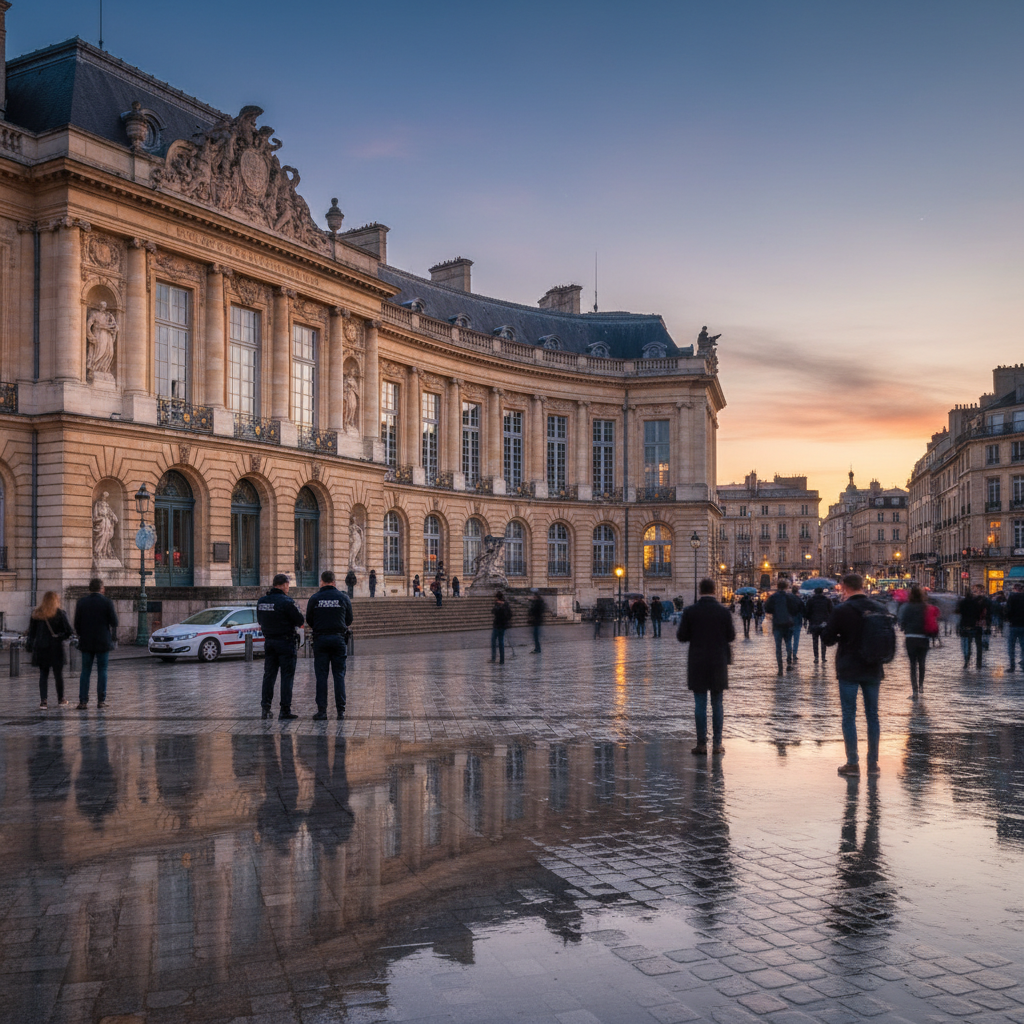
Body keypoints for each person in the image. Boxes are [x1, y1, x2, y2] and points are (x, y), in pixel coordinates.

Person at [823, 573, 885, 776]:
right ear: (862, 585)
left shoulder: (842, 610)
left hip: (849, 667)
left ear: (844, 587)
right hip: (873, 667)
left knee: (849, 715)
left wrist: (829, 630)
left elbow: (828, 639)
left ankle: (852, 763)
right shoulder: (878, 607)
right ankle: (873, 764)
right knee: (873, 716)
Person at [676, 578, 735, 756]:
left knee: (700, 704)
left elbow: (682, 636)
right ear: (715, 590)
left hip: (698, 662)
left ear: (700, 590)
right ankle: (717, 744)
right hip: (718, 662)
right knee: (717, 704)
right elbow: (731, 636)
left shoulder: (690, 611)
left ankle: (701, 744)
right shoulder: (723, 612)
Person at [305, 570, 353, 720]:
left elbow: (309, 619)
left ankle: (322, 711)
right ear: (334, 582)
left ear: (321, 581)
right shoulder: (343, 597)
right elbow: (349, 619)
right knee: (339, 676)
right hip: (338, 639)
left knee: (321, 676)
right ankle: (341, 711)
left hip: (320, 639)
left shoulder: (315, 598)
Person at [257, 573, 305, 720]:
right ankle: (285, 710)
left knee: (269, 676)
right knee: (287, 677)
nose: (288, 588)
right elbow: (300, 620)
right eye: (288, 585)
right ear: (284, 585)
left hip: (269, 642)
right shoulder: (287, 602)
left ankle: (265, 708)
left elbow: (260, 620)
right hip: (286, 642)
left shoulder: (262, 601)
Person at [73, 577, 118, 709]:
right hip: (103, 641)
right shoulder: (107, 602)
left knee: (85, 671)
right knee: (102, 670)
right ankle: (101, 700)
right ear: (101, 588)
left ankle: (83, 701)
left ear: (89, 588)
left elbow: (76, 623)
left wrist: (82, 634)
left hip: (86, 640)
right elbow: (114, 622)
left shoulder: (81, 602)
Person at [28, 591, 73, 709]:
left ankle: (43, 701)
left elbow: (31, 633)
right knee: (58, 675)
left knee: (43, 675)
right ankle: (61, 699)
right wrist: (59, 636)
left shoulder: (37, 614)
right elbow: (69, 631)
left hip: (41, 648)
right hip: (56, 648)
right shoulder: (60, 613)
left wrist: (30, 646)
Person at [897, 585, 930, 695]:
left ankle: (914, 688)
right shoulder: (925, 607)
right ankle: (921, 685)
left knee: (912, 664)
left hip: (910, 637)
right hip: (923, 637)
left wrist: (905, 628)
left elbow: (902, 621)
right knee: (922, 662)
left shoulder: (907, 607)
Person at [765, 580, 800, 674]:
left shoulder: (773, 597)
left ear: (777, 586)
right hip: (788, 623)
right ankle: (789, 663)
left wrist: (775, 612)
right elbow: (796, 609)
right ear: (786, 587)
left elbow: (767, 608)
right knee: (788, 643)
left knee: (778, 646)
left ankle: (780, 667)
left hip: (777, 624)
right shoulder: (790, 597)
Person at [956, 585, 986, 669]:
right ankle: (978, 663)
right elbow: (979, 614)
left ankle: (967, 661)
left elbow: (959, 612)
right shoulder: (976, 603)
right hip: (975, 625)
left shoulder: (962, 603)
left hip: (965, 624)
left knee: (967, 644)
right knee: (978, 645)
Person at [805, 588, 832, 664]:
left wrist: (807, 621)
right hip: (824, 623)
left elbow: (807, 612)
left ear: (815, 592)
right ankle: (823, 657)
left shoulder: (811, 600)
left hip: (814, 623)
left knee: (815, 641)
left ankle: (816, 657)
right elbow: (831, 611)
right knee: (823, 641)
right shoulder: (827, 600)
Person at [490, 591, 512, 664]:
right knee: (496, 641)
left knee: (499, 642)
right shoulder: (502, 604)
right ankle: (496, 658)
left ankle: (500, 659)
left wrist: (500, 606)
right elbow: (493, 611)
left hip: (500, 625)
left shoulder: (504, 605)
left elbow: (507, 614)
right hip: (499, 625)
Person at [1007, 582, 1024, 671]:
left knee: (1011, 646)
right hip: (1023, 625)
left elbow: (1008, 611)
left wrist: (1009, 619)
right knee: (1023, 646)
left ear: (1014, 589)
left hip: (1013, 624)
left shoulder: (1012, 597)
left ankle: (1012, 665)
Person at [790, 588, 805, 661]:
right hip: (797, 621)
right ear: (797, 592)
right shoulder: (799, 600)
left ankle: (789, 652)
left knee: (788, 639)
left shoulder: (788, 600)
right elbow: (803, 611)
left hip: (788, 621)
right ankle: (794, 653)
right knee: (796, 639)